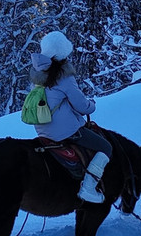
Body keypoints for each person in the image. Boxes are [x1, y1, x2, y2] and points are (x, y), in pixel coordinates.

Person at [30, 30, 112, 203]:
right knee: (106, 147)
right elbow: (82, 106)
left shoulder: (38, 74)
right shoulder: (63, 76)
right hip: (64, 131)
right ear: (62, 54)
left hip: (42, 128)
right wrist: (92, 105)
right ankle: (88, 188)